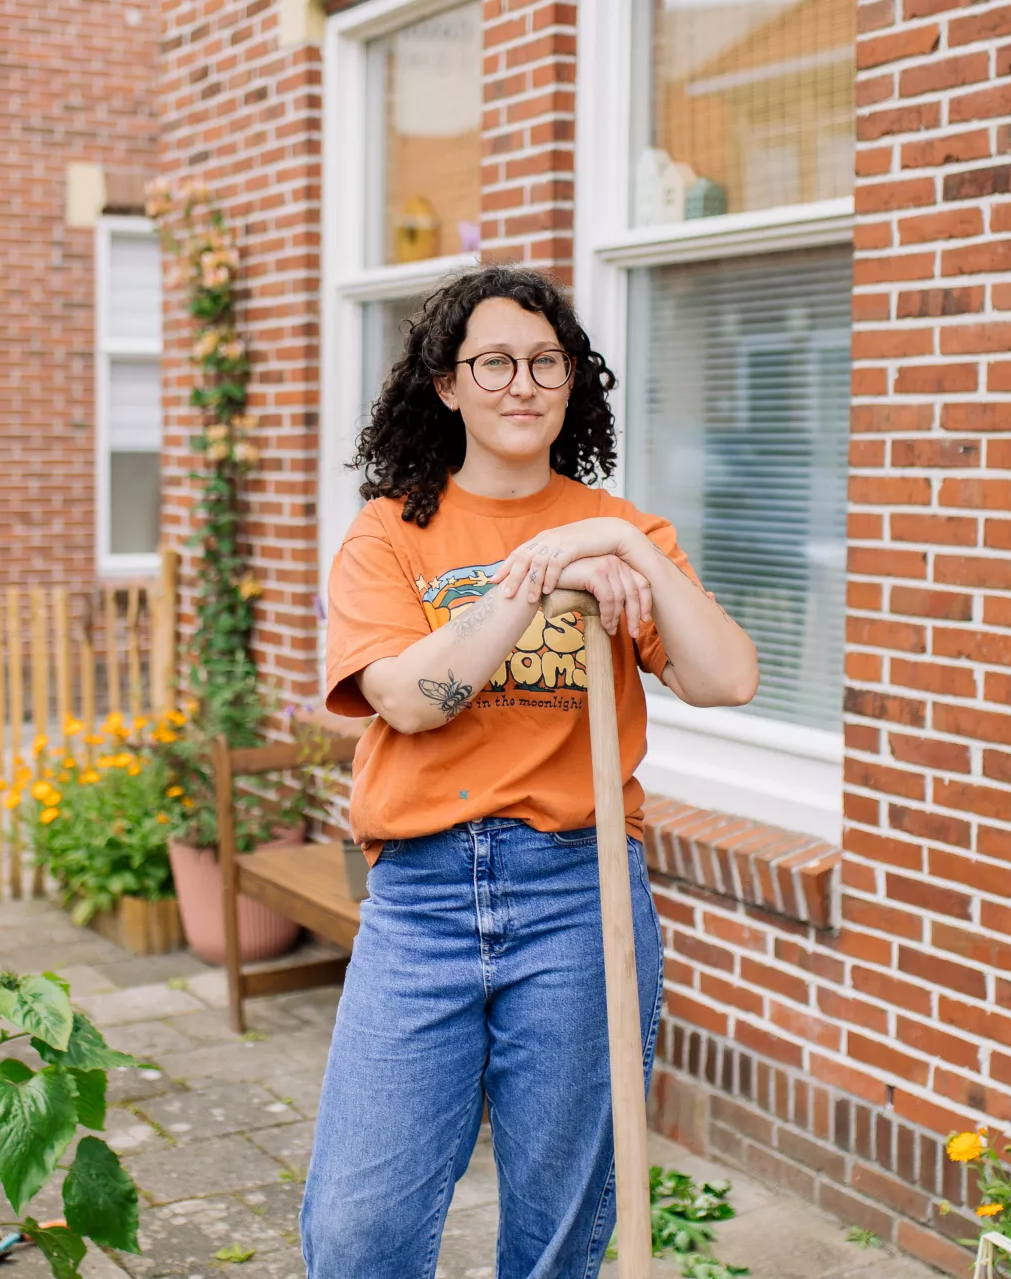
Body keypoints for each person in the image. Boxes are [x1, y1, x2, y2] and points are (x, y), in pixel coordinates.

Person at [300, 266, 760, 1278]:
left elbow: (726, 678)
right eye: (493, 362)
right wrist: (542, 573)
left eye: (545, 361)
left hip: (576, 894)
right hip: (419, 899)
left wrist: (605, 539)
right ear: (446, 385)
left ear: (572, 381)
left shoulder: (625, 532)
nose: (521, 382)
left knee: (557, 1234)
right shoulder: (387, 534)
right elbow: (411, 698)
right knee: (355, 1230)